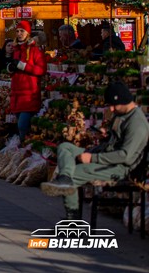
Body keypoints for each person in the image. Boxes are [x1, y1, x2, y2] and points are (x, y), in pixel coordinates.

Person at [40, 81, 149, 219]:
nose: (112, 109)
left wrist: (92, 158)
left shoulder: (137, 123)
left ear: (124, 101)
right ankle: (64, 178)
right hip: (105, 154)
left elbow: (125, 156)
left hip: (118, 167)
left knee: (75, 175)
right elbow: (117, 139)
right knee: (65, 147)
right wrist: (106, 135)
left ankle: (72, 223)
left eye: (114, 105)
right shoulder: (122, 115)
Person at [8, 20, 47, 143]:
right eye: (17, 31)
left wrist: (23, 66)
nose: (19, 34)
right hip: (17, 94)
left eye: (22, 31)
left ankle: (23, 146)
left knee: (22, 125)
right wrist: (10, 68)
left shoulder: (35, 50)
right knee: (21, 126)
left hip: (29, 94)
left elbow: (41, 70)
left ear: (28, 33)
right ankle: (24, 147)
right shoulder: (16, 50)